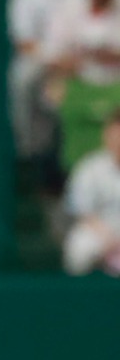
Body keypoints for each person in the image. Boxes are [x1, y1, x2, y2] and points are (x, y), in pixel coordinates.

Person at [63, 110, 120, 276]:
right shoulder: (89, 167)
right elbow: (83, 211)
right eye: (114, 135)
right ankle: (78, 296)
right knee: (79, 246)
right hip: (99, 230)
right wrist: (109, 239)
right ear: (106, 135)